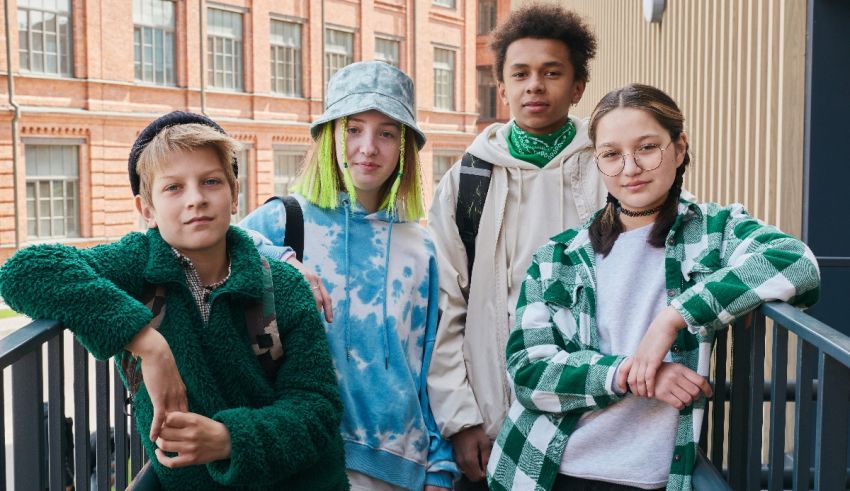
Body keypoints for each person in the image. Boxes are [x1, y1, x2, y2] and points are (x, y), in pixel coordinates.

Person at [487, 83, 821, 491]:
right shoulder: (558, 257)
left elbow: (797, 263)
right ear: (599, 162)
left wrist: (674, 317)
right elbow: (527, 372)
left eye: (647, 147)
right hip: (544, 469)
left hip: (649, 477)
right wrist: (632, 374)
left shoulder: (714, 232)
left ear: (679, 149)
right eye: (612, 154)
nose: (630, 168)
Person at [0, 112, 348, 490]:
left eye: (211, 182)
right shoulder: (137, 264)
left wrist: (229, 439)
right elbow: (22, 271)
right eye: (174, 188)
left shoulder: (282, 284)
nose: (196, 199)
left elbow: (317, 409)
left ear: (234, 195)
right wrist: (147, 343)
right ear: (146, 209)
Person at [239, 61, 457, 491]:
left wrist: (440, 465)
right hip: (307, 457)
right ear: (329, 138)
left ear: (404, 148)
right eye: (353, 129)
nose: (369, 147)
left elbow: (432, 360)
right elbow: (209, 247)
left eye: (387, 133)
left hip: (401, 467)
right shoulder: (284, 222)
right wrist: (285, 260)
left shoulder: (423, 247)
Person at [426, 4, 605, 487]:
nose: (535, 86)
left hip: (601, 424)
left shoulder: (611, 166)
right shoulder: (468, 180)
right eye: (520, 74)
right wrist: (463, 419)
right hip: (497, 422)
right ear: (501, 86)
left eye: (552, 72)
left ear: (578, 85)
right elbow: (446, 307)